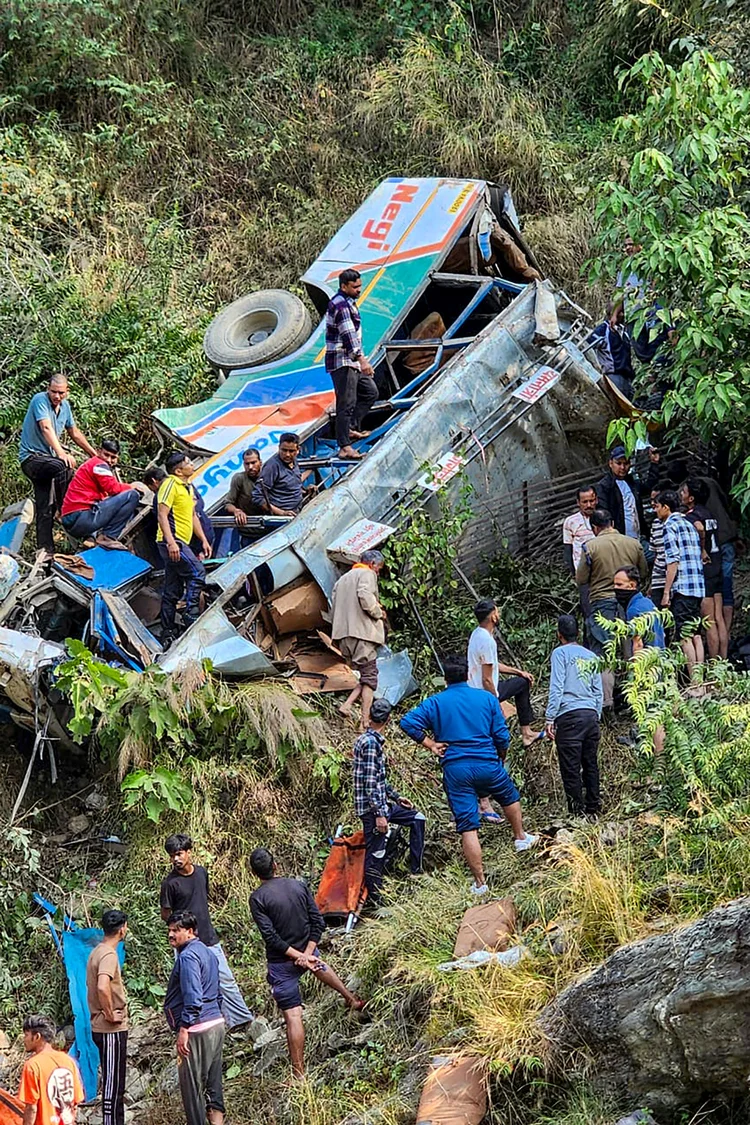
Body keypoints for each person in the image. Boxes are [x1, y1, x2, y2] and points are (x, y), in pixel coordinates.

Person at [400, 654, 537, 896]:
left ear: (445, 679)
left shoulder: (435, 702)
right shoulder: (486, 698)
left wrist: (431, 744)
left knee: (467, 826)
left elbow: (408, 722)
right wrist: (500, 756)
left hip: (456, 769)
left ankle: (480, 883)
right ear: (467, 675)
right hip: (487, 762)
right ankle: (520, 837)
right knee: (509, 796)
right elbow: (502, 736)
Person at [249, 848, 364, 1079]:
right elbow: (317, 921)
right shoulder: (298, 886)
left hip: (282, 962)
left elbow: (271, 937)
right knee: (319, 966)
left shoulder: (258, 898)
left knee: (293, 1017)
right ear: (276, 866)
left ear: (255, 873)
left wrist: (297, 956)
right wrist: (308, 953)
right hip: (309, 951)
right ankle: (351, 999)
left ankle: (299, 1074)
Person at [160, 834, 254, 1032]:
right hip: (186, 942)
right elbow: (166, 914)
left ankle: (240, 1019)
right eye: (172, 855)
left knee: (225, 978)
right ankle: (192, 1025)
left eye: (179, 854)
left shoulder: (201, 873)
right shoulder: (170, 884)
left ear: (188, 853)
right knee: (190, 985)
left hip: (208, 936)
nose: (176, 859)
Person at [353, 697, 426, 902]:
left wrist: (396, 797)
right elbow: (369, 783)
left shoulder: (371, 741)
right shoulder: (369, 744)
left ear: (369, 716)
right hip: (372, 810)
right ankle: (378, 900)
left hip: (383, 805)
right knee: (376, 853)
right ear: (389, 719)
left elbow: (376, 779)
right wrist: (379, 815)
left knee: (417, 818)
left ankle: (416, 870)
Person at [576, 508, 647, 709]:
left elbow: (581, 579)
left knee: (603, 653)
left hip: (601, 604)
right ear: (613, 524)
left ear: (595, 527)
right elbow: (642, 571)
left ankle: (606, 703)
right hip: (628, 603)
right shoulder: (633, 544)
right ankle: (637, 697)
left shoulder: (590, 547)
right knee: (633, 649)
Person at [19, 375, 97, 555]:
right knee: (64, 467)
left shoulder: (66, 407)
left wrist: (94, 455)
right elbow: (46, 427)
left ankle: (45, 552)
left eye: (61, 393)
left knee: (44, 507)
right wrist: (61, 453)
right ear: (48, 389)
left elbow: (74, 433)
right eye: (53, 391)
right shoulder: (40, 400)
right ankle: (65, 510)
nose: (56, 396)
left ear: (67, 392)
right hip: (32, 459)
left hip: (48, 462)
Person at [163, 912, 225, 1125]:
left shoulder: (188, 957)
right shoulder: (208, 953)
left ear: (189, 931)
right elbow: (218, 992)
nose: (170, 935)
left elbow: (193, 997)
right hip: (216, 1023)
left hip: (197, 1028)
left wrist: (184, 1029)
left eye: (176, 930)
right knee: (214, 1084)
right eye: (169, 930)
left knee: (193, 1090)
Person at [545, 615, 603, 818]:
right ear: (577, 633)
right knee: (590, 763)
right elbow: (598, 690)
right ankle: (593, 807)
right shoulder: (591, 656)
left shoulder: (559, 654)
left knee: (570, 767)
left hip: (569, 716)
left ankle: (576, 813)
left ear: (559, 634)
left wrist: (550, 717)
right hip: (590, 715)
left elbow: (557, 686)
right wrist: (596, 714)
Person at [467, 599, 543, 750]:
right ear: (492, 617)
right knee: (522, 685)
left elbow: (492, 664)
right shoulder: (487, 641)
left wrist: (518, 672)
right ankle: (526, 733)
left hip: (475, 690)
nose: (499, 614)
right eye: (497, 612)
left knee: (521, 681)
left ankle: (527, 733)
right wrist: (495, 703)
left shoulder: (476, 634)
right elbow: (487, 679)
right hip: (484, 693)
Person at [156, 451, 212, 646]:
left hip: (181, 542)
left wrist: (203, 539)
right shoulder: (170, 484)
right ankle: (191, 614)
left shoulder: (187, 487)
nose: (191, 465)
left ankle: (167, 629)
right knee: (198, 572)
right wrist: (171, 542)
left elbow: (193, 516)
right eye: (188, 463)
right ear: (179, 470)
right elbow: (162, 514)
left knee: (172, 588)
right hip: (172, 541)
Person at [330, 549, 387, 731]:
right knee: (370, 678)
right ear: (372, 564)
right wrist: (378, 613)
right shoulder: (367, 574)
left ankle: (346, 705)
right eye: (378, 568)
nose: (377, 572)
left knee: (366, 674)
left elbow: (333, 606)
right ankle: (365, 723)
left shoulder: (342, 580)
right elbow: (365, 595)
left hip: (343, 635)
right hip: (362, 634)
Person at [325, 268, 378, 461]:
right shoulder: (340, 306)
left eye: (360, 286)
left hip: (351, 362)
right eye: (355, 287)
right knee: (345, 403)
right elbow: (348, 336)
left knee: (370, 392)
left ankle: (350, 429)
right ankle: (344, 446)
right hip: (343, 361)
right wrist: (362, 360)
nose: (359, 290)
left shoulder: (349, 303)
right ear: (343, 286)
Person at [653, 489, 705, 679]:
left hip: (682, 587)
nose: (656, 511)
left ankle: (694, 682)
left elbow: (672, 561)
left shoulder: (669, 527)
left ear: (666, 508)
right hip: (698, 587)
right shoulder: (688, 524)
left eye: (657, 507)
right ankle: (701, 680)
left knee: (684, 636)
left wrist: (666, 591)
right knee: (696, 634)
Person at [60, 439, 144, 550]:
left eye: (113, 457)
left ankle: (92, 537)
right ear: (98, 451)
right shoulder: (99, 465)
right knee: (132, 495)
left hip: (73, 519)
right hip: (79, 517)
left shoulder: (92, 465)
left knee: (103, 502)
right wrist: (131, 487)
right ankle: (108, 537)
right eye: (106, 455)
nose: (109, 460)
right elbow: (113, 489)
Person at [86, 909, 128, 1125]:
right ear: (123, 930)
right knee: (113, 1085)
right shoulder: (109, 955)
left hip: (99, 1027)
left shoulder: (96, 951)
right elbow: (103, 986)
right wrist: (111, 1014)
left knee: (114, 1082)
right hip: (110, 1029)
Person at [680, 477, 728, 659]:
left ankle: (715, 665)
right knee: (719, 617)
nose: (682, 496)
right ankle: (724, 660)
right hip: (717, 567)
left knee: (709, 622)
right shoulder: (709, 513)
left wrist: (701, 549)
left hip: (705, 571)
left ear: (691, 498)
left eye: (684, 493)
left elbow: (699, 529)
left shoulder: (693, 517)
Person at [18, 1013, 84, 1125]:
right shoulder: (68, 1060)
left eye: (26, 1035)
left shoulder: (33, 1066)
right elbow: (75, 1102)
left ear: (37, 1036)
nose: (24, 1040)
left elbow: (31, 1108)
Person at [596, 446, 646, 541]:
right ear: (611, 463)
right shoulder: (605, 486)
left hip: (638, 536)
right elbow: (604, 513)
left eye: (626, 463)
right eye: (618, 463)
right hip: (619, 539)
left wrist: (654, 464)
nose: (622, 467)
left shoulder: (632, 482)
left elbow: (648, 488)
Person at [587, 303, 635, 400]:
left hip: (627, 378)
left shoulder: (624, 332)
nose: (622, 315)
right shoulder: (603, 330)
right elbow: (588, 347)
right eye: (620, 312)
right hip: (613, 376)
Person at [613, 566, 665, 651]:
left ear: (632, 585)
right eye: (614, 584)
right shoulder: (648, 603)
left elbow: (638, 644)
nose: (615, 588)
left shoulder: (633, 610)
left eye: (619, 584)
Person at [252, 433, 304, 517]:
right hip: (283, 518)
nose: (287, 454)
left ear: (298, 450)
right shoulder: (272, 466)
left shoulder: (294, 461)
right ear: (279, 447)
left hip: (297, 511)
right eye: (284, 450)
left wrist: (304, 491)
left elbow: (288, 487)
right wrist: (282, 513)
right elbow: (257, 497)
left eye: (291, 451)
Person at [562, 485, 597, 576]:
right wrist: (572, 574)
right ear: (578, 502)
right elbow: (568, 549)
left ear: (596, 500)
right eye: (585, 502)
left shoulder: (604, 518)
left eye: (591, 501)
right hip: (582, 572)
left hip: (602, 571)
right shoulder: (571, 522)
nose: (589, 505)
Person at [225, 448, 262, 525]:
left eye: (253, 463)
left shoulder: (269, 475)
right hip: (248, 528)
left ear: (260, 462)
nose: (250, 467)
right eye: (247, 464)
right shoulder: (239, 478)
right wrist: (236, 511)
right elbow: (228, 503)